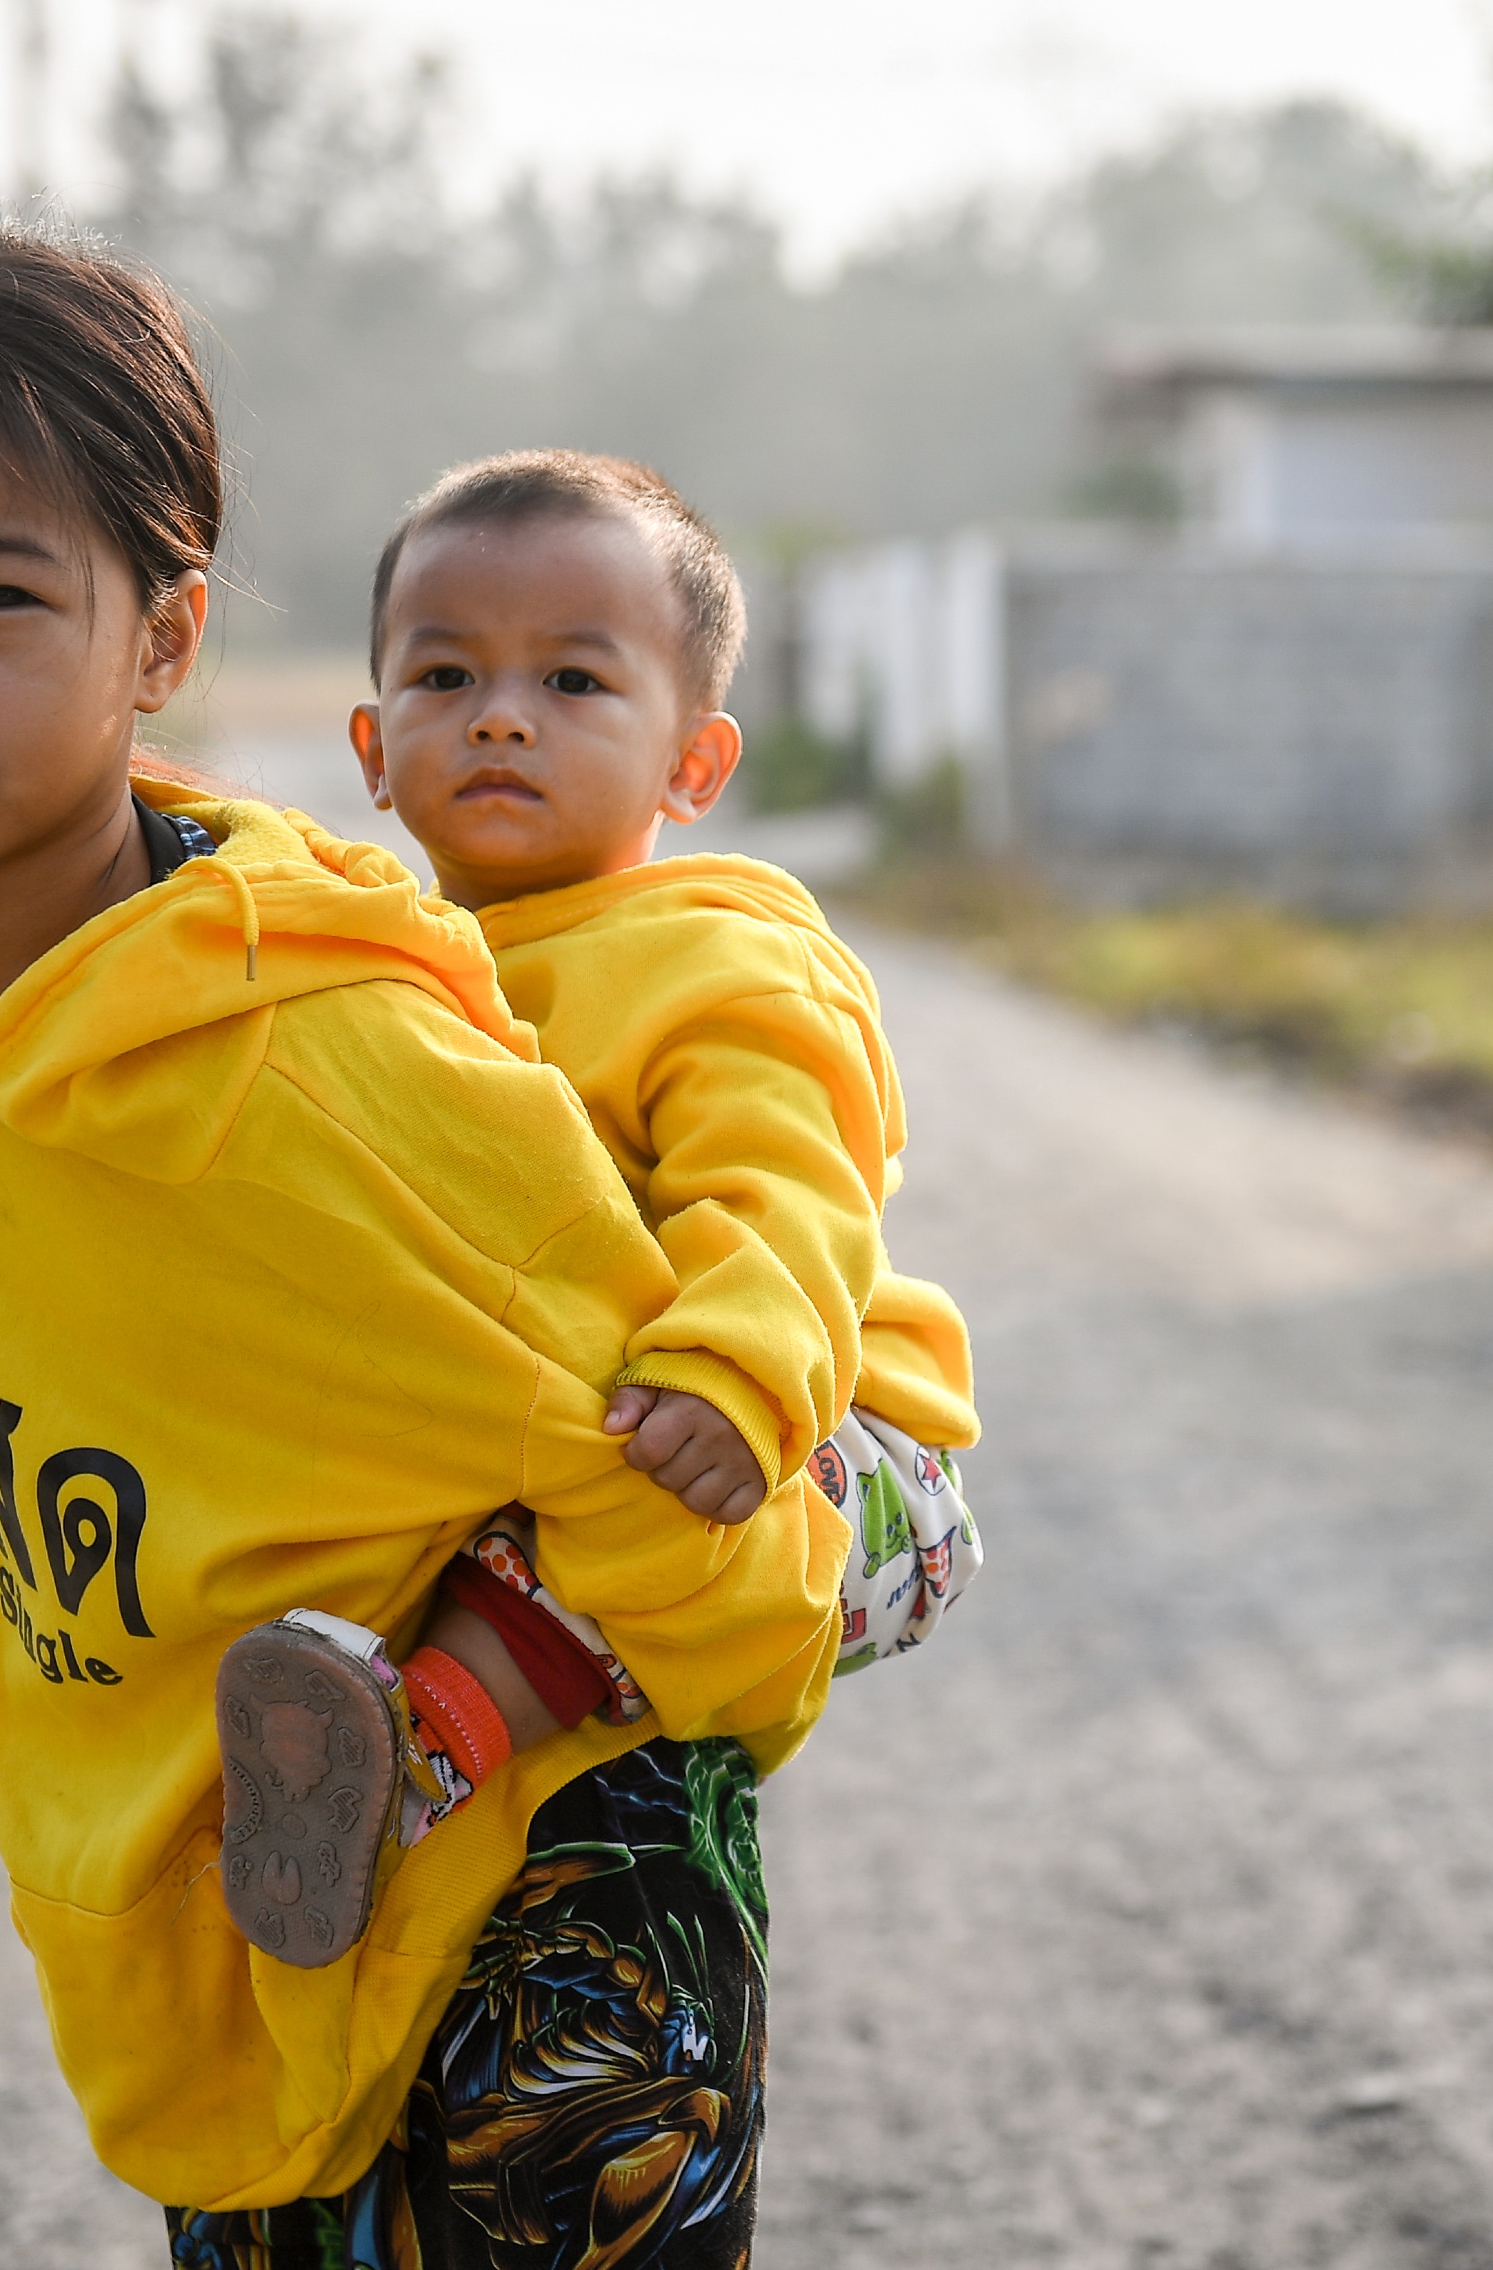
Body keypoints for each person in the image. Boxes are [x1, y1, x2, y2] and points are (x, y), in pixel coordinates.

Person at [0, 233, 835, 2267]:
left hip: (530, 1946)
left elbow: (739, 1557)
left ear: (163, 636)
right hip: (244, 1941)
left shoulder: (322, 1065)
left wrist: (495, 1687)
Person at [214, 450, 986, 1976]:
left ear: (693, 766)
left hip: (854, 1454)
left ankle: (426, 1753)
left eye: (574, 680)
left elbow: (792, 1196)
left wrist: (735, 1368)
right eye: (448, 675)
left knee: (618, 1490)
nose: (502, 714)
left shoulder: (714, 960)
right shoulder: (395, 966)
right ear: (374, 745)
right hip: (641, 1410)